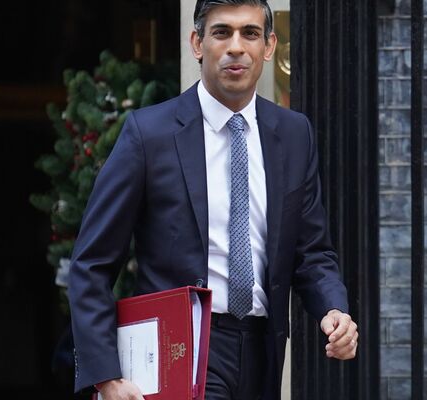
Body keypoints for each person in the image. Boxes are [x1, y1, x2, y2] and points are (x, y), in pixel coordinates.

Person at [67, 1, 358, 399]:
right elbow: (91, 263)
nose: (236, 46)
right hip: (180, 347)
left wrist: (334, 310)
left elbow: (312, 251)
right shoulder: (148, 135)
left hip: (263, 348)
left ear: (269, 46)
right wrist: (107, 375)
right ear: (197, 43)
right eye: (222, 32)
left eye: (250, 33)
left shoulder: (293, 134)